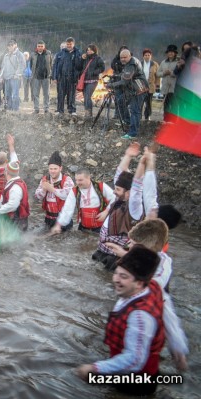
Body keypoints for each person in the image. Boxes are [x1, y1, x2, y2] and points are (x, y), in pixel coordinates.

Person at [76, 245, 186, 396]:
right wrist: (178, 348)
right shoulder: (153, 286)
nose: (116, 280)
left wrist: (95, 368)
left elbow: (135, 359)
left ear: (139, 283)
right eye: (116, 273)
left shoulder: (140, 315)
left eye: (124, 277)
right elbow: (169, 315)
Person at [92, 143, 145, 271]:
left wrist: (143, 163)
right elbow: (119, 174)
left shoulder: (135, 207)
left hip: (115, 257)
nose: (114, 192)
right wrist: (128, 155)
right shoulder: (119, 197)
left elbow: (137, 186)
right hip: (103, 251)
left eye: (118, 189)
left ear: (129, 192)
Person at [52, 168, 115, 233]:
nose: (77, 183)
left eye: (80, 180)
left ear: (88, 178)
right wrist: (59, 225)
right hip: (83, 228)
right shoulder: (74, 191)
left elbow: (115, 198)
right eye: (76, 180)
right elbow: (67, 208)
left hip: (101, 227)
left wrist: (106, 212)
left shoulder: (100, 186)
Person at [111, 50, 149, 139]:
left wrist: (112, 85)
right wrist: (117, 76)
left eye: (125, 57)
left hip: (139, 89)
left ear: (129, 56)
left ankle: (132, 133)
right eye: (121, 58)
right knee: (121, 100)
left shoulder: (131, 64)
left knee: (135, 110)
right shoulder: (130, 62)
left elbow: (125, 81)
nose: (123, 59)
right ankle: (128, 121)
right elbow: (126, 75)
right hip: (134, 89)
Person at [34, 151, 75, 230]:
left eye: (55, 169)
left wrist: (52, 189)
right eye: (51, 169)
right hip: (48, 218)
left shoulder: (67, 180)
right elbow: (37, 196)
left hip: (63, 219)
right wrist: (44, 190)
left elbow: (67, 195)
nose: (52, 171)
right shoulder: (45, 179)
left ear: (60, 168)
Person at [0, 161, 30, 231]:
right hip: (18, 219)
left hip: (17, 221)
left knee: (15, 241)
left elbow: (13, 206)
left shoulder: (15, 187)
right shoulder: (16, 182)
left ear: (6, 172)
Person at [53, 37, 81, 115]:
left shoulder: (77, 53)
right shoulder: (61, 53)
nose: (69, 45)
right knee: (60, 94)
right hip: (61, 77)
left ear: (73, 44)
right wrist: (55, 77)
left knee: (71, 95)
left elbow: (80, 67)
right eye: (67, 44)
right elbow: (55, 66)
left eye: (70, 44)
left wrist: (78, 77)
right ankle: (59, 110)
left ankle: (72, 110)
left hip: (72, 78)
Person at [76, 44, 105, 118]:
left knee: (88, 96)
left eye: (90, 50)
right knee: (85, 97)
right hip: (84, 81)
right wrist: (81, 59)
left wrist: (94, 72)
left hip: (93, 80)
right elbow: (78, 66)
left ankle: (89, 114)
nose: (89, 51)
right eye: (88, 50)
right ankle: (87, 113)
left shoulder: (98, 58)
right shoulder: (85, 58)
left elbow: (102, 68)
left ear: (94, 51)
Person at [1, 39, 26, 111]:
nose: (10, 47)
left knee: (15, 95)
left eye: (11, 45)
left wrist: (17, 74)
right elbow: (3, 66)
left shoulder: (19, 54)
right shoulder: (6, 55)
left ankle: (15, 110)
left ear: (15, 45)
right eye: (9, 46)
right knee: (7, 95)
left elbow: (22, 65)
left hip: (15, 78)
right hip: (7, 78)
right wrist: (1, 76)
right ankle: (9, 109)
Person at [156, 44, 179, 121]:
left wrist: (171, 73)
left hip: (175, 88)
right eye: (169, 52)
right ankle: (165, 121)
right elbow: (157, 73)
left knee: (174, 106)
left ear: (175, 53)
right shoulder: (163, 62)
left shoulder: (178, 62)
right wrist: (164, 73)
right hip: (165, 88)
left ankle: (174, 121)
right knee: (166, 106)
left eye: (172, 52)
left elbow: (180, 74)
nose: (170, 53)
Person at [141, 49, 159, 121]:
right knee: (140, 102)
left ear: (151, 56)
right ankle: (139, 116)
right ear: (143, 56)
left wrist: (157, 84)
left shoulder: (155, 64)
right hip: (141, 86)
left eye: (149, 55)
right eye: (145, 55)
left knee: (149, 102)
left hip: (150, 85)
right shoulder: (140, 63)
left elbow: (158, 75)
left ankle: (147, 116)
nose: (147, 56)